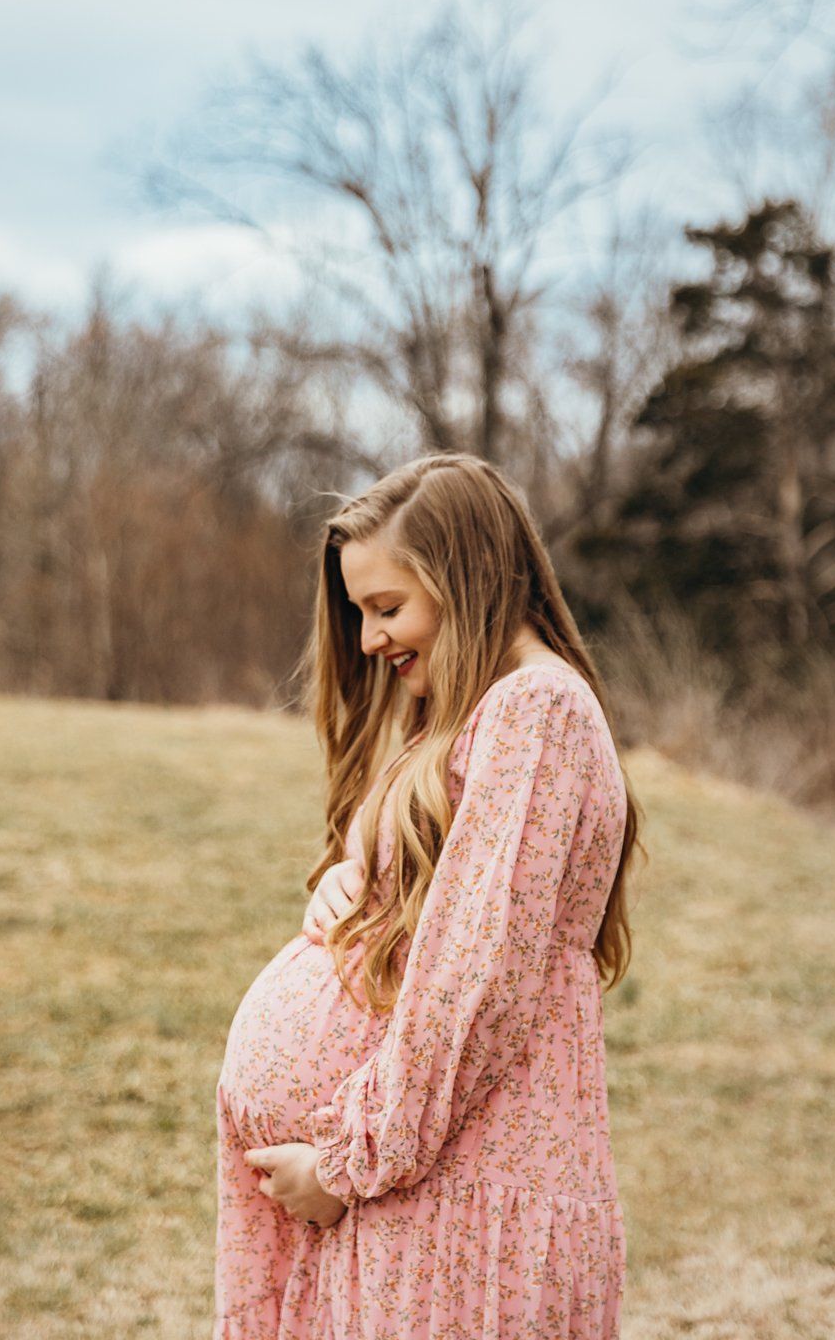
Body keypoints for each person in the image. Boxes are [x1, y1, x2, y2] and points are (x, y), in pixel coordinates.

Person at [214, 451, 643, 1338]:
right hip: (421, 1193)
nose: (369, 639)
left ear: (471, 579)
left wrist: (343, 1164)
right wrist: (350, 878)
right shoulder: (470, 711)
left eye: (387, 607)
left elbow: (474, 981)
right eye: (360, 612)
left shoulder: (537, 713)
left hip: (460, 1193)